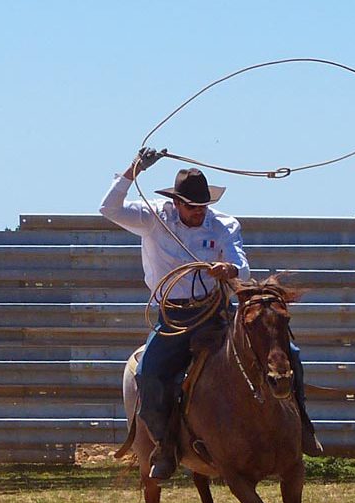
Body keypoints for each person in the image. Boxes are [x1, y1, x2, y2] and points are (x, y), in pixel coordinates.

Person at [99, 149, 324, 480]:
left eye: (202, 206)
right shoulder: (153, 218)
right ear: (176, 203)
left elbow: (241, 265)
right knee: (150, 374)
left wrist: (230, 268)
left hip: (216, 312)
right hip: (173, 320)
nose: (197, 213)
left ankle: (302, 424)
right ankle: (164, 446)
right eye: (191, 206)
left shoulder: (223, 225)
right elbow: (109, 208)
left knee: (289, 353)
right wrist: (133, 170)